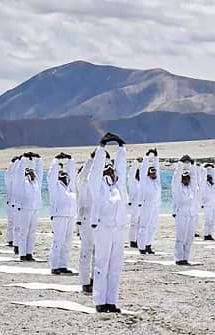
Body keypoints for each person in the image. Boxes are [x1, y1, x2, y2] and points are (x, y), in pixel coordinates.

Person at [89, 133, 128, 313]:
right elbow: (96, 170)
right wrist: (102, 147)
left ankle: (111, 301)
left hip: (118, 228)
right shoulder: (97, 185)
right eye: (108, 169)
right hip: (103, 227)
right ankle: (99, 300)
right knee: (101, 265)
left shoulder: (118, 186)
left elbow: (122, 167)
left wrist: (121, 147)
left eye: (112, 169)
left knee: (116, 266)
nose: (112, 171)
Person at [48, 153, 77, 275]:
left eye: (65, 173)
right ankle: (55, 266)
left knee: (68, 241)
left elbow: (73, 174)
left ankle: (63, 265)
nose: (64, 175)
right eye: (61, 173)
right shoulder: (54, 186)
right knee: (58, 241)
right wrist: (56, 160)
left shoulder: (70, 186)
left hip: (71, 215)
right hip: (59, 215)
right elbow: (52, 175)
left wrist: (70, 160)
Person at [172, 155, 200, 265]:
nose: (187, 179)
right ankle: (179, 258)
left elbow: (194, 177)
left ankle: (186, 258)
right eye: (184, 178)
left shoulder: (192, 188)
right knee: (180, 238)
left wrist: (192, 164)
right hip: (181, 215)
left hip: (191, 215)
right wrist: (181, 163)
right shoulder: (177, 188)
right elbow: (176, 177)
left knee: (189, 238)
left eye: (188, 178)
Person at [15, 153, 43, 261]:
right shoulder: (22, 182)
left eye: (32, 172)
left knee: (32, 232)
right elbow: (19, 172)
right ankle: (22, 254)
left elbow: (39, 171)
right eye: (29, 172)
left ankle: (29, 253)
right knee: (24, 231)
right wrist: (23, 159)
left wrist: (37, 159)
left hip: (35, 208)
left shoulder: (37, 182)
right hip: (25, 208)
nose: (32, 173)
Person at [76, 151, 95, 294]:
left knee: (98, 252)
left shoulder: (100, 183)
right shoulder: (83, 183)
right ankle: (84, 281)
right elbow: (84, 175)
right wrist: (91, 159)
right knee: (86, 251)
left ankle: (95, 279)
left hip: (99, 220)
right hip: (86, 219)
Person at [137, 148, 161, 255]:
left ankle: (148, 245)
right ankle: (142, 247)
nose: (154, 174)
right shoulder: (144, 180)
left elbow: (157, 168)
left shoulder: (156, 181)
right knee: (144, 226)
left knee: (153, 226)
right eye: (152, 172)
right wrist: (147, 157)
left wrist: (155, 157)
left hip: (156, 206)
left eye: (154, 172)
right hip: (146, 205)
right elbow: (143, 169)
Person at [200, 163, 215, 241]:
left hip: (214, 205)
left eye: (211, 178)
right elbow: (203, 177)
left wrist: (213, 169)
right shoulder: (204, 185)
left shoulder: (213, 185)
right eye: (209, 178)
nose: (211, 179)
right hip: (207, 205)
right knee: (208, 220)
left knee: (213, 221)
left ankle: (210, 234)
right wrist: (205, 168)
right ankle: (206, 234)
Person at [126, 158, 141, 248]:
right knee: (134, 222)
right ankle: (132, 240)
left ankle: (138, 239)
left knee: (140, 223)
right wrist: (136, 163)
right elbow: (131, 174)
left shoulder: (142, 182)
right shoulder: (132, 181)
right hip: (135, 203)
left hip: (142, 205)